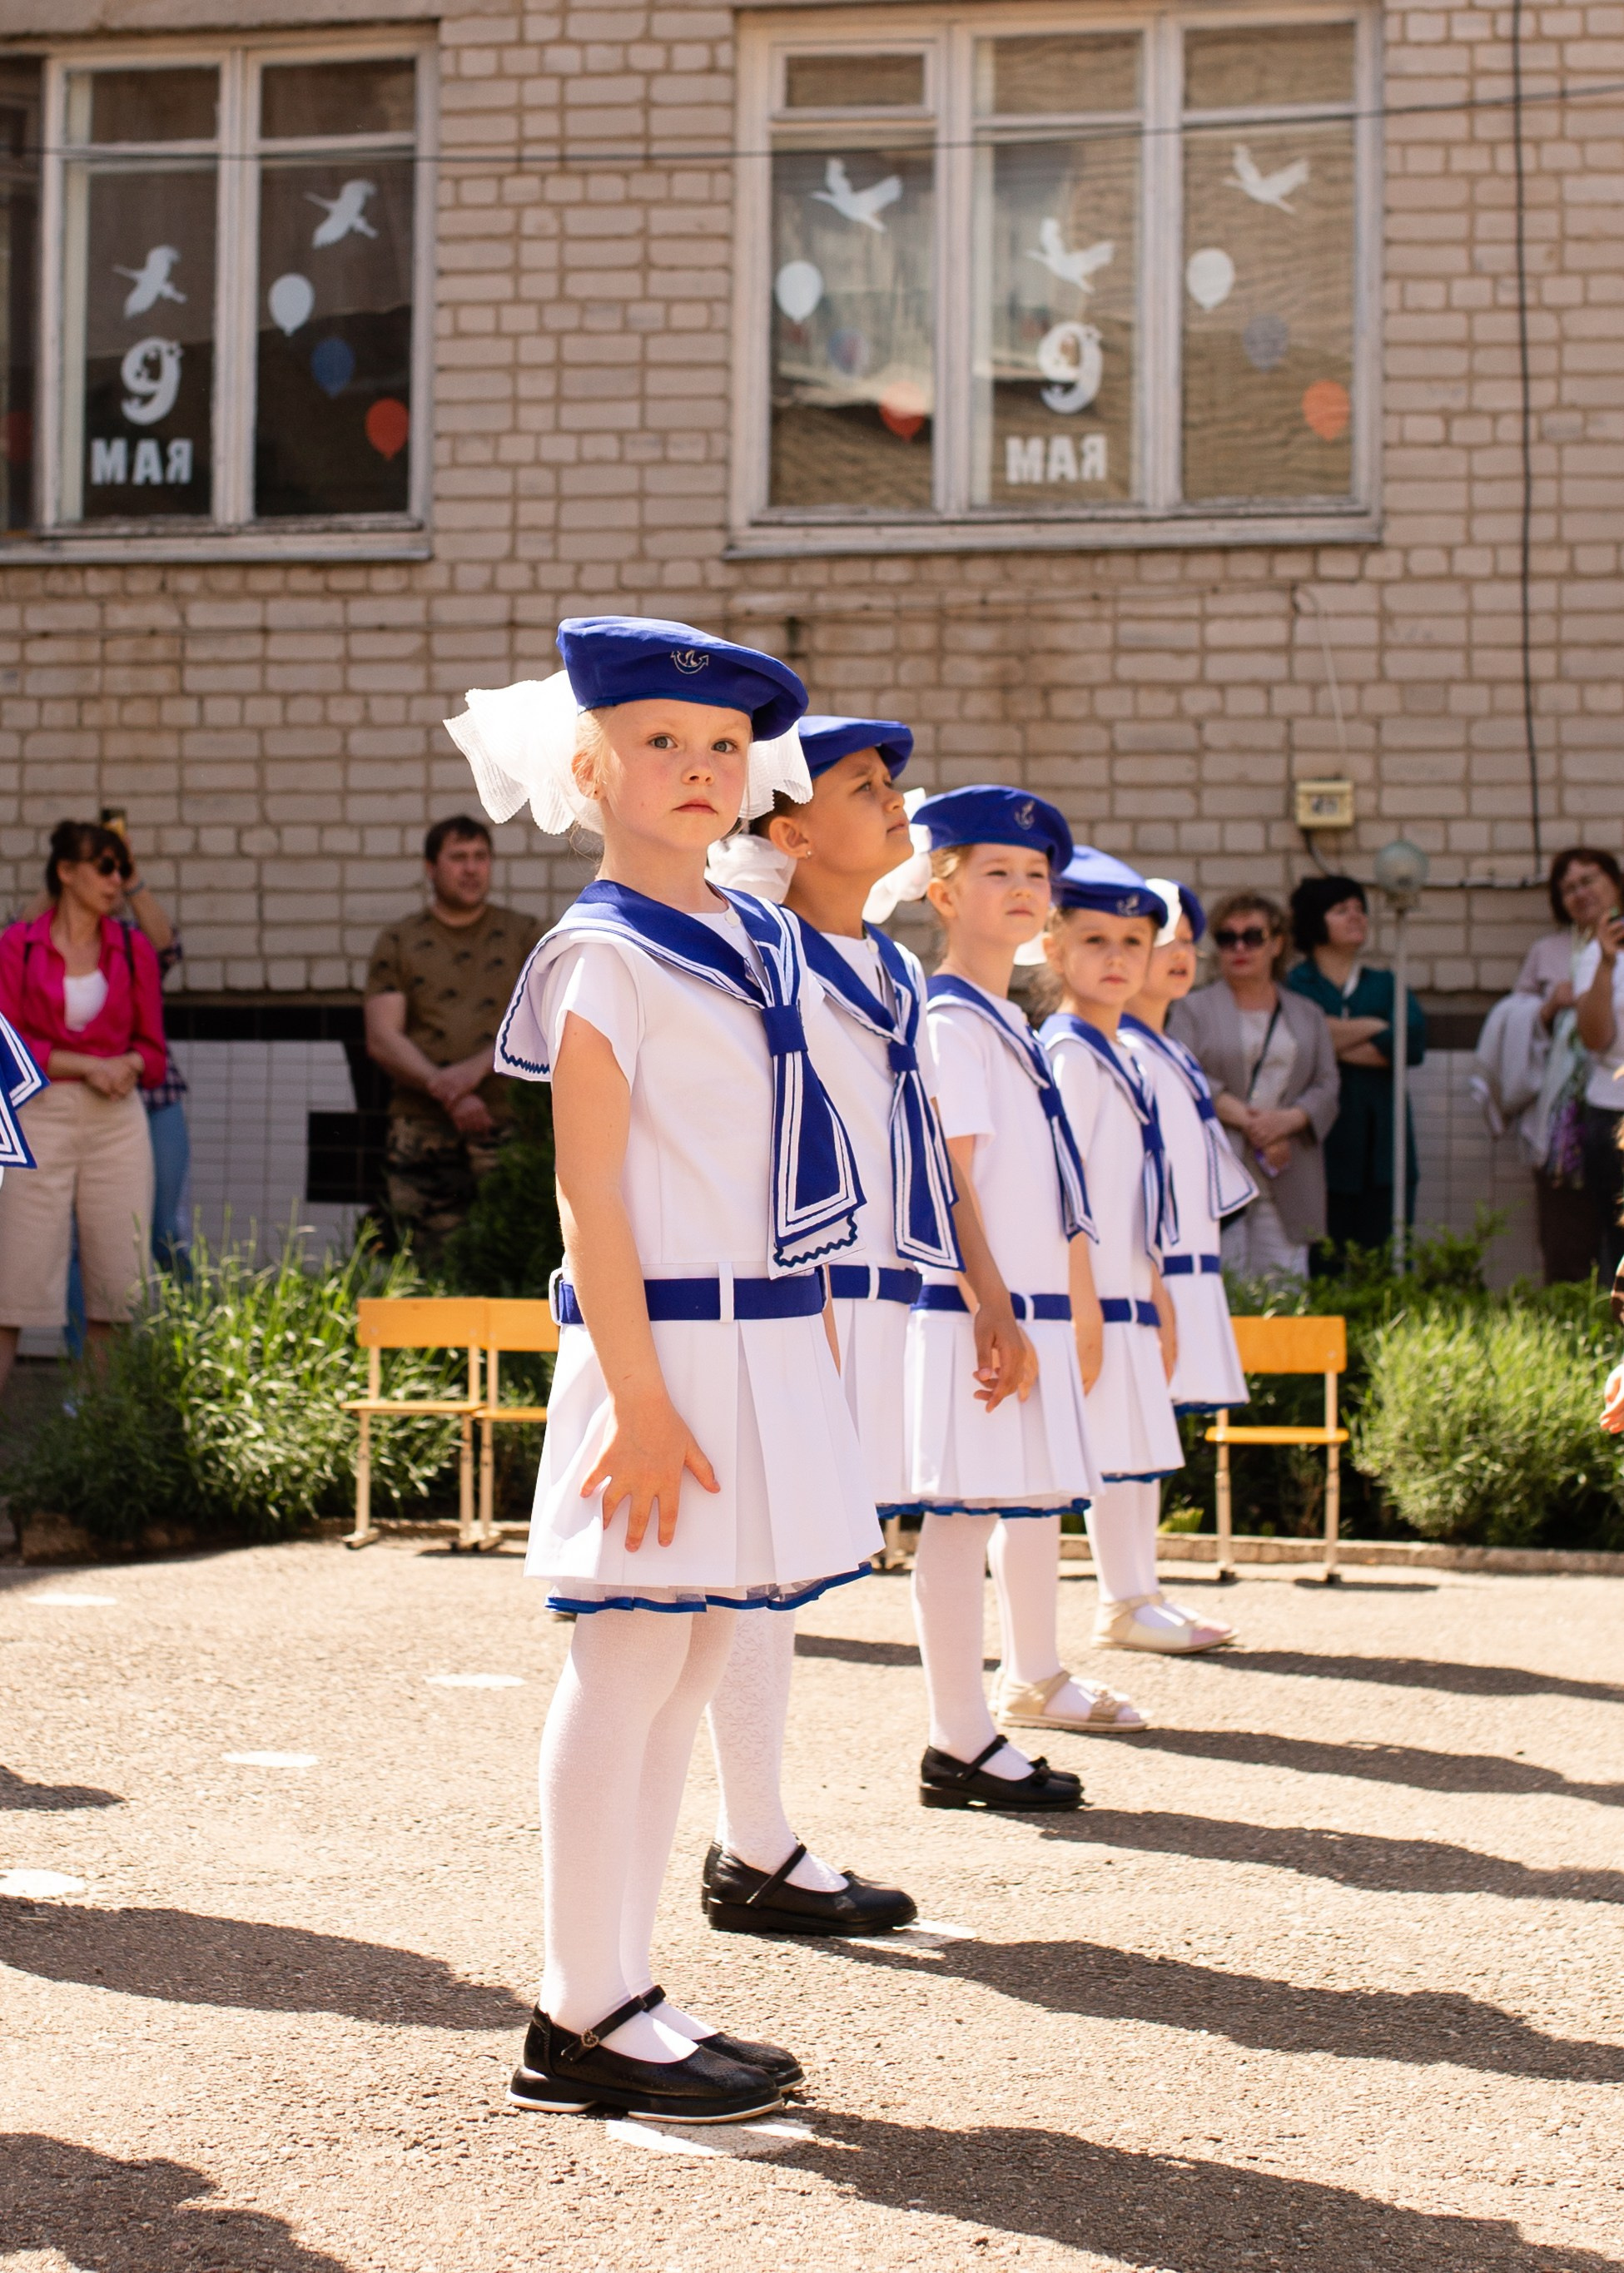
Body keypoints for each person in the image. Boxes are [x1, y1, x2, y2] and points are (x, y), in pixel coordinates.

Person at [445, 615, 882, 2122]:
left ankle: (624, 1987)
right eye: (657, 742)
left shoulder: (753, 934)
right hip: (662, 1350)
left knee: (693, 1652)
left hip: (754, 1337)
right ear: (589, 770)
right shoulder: (599, 953)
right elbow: (592, 1197)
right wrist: (635, 1400)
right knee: (628, 1652)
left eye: (721, 747)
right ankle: (577, 2007)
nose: (697, 766)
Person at [694, 713, 947, 1935]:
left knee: (778, 1568)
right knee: (751, 1563)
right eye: (861, 784)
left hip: (872, 1288)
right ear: (790, 833)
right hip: (794, 1290)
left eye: (891, 780)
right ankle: (752, 1845)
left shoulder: (893, 966)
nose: (893, 798)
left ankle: (757, 1837)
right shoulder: (760, 944)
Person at [903, 783, 1095, 1806]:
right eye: (997, 872)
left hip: (1011, 1306)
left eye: (1036, 874)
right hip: (978, 1310)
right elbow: (954, 1177)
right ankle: (957, 1737)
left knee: (980, 1514)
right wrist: (994, 1307)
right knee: (960, 1518)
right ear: (943, 892)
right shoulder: (951, 1020)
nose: (1024, 888)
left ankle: (965, 1735)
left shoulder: (1003, 1018)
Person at [1040, 851, 1232, 1663]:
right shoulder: (1072, 1053)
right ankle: (1117, 1602)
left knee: (1136, 1445)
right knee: (1108, 1451)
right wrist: (1087, 1298)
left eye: (1139, 941)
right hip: (1095, 1291)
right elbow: (1067, 1192)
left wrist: (1153, 1282)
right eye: (1100, 940)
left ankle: (1137, 1592)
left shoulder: (1125, 1051)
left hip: (1133, 1283)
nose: (1130, 957)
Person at [0, 822, 166, 1398]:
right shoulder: (18, 944)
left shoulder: (133, 949)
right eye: (104, 866)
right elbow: (6, 1042)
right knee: (13, 1282)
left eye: (121, 868)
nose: (115, 880)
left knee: (116, 1284)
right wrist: (86, 1064)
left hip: (116, 1118)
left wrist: (129, 1065)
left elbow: (154, 1051)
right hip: (37, 1113)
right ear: (66, 871)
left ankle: (96, 1432)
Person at [364, 816, 544, 1268]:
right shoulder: (400, 940)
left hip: (509, 1124)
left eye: (481, 857)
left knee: (513, 1264)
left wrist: (471, 1072)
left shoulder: (526, 935)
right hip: (421, 1132)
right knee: (424, 1268)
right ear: (431, 868)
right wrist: (447, 1090)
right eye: (458, 858)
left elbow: (543, 1021)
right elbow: (382, 1037)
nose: (471, 869)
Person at [1121, 879, 1255, 1418]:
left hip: (1189, 1274)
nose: (1180, 954)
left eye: (1186, 942)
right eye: (1163, 942)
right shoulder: (1121, 1052)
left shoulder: (1172, 1051)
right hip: (1148, 1283)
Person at [1169, 891, 1339, 1282]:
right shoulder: (1191, 1009)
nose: (1240, 948)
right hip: (1219, 1165)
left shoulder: (1307, 1013)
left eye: (1253, 937)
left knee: (1285, 1285)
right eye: (1227, 938)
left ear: (1277, 944)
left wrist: (1287, 1122)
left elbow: (1327, 1083)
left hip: (1287, 1164)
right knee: (1225, 1284)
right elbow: (1181, 1073)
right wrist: (1254, 1124)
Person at [1285, 874, 1428, 1264]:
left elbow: (1411, 1044)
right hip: (1321, 1151)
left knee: (1385, 1263)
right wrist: (1376, 1027)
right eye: (1341, 909)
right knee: (1323, 1264)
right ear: (1315, 921)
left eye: (1360, 909)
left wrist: (1332, 1038)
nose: (1356, 917)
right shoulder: (1296, 985)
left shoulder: (1385, 983)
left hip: (1384, 1151)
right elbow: (1300, 1043)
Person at [1511, 847, 1622, 1283]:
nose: (1579, 893)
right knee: (1572, 1233)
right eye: (1568, 888)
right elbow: (1513, 1022)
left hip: (1604, 1097)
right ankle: (1577, 1315)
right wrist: (1549, 1005)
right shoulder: (1550, 951)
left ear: (1615, 881)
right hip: (1573, 1112)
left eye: (1588, 880)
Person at [1572, 891, 1624, 1283]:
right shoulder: (1601, 950)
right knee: (1618, 1239)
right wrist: (1607, 962)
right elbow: (1594, 1038)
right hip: (1613, 1111)